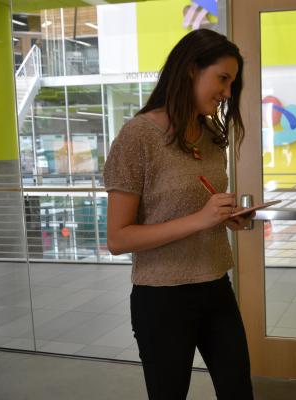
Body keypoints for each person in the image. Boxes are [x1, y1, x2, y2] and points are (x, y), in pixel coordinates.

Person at [103, 29, 254, 400]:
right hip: (162, 299)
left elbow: (199, 206)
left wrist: (227, 216)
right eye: (222, 78)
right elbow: (118, 239)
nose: (227, 92)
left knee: (239, 392)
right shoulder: (138, 136)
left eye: (232, 83)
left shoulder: (210, 136)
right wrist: (201, 219)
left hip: (216, 285)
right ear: (190, 69)